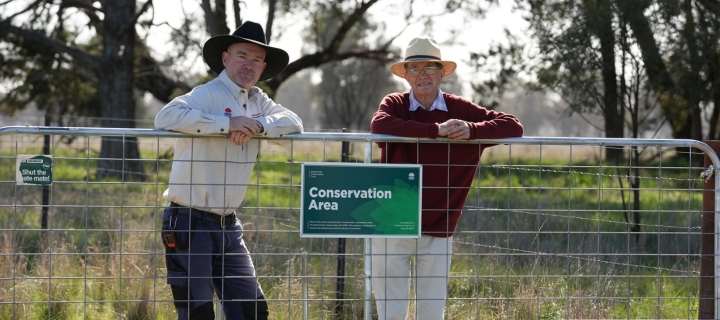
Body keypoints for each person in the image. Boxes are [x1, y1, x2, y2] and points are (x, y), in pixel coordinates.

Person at [155, 21, 303, 320]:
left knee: (251, 311)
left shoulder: (258, 100)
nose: (249, 65)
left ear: (263, 67)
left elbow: (294, 123)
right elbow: (166, 116)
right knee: (197, 313)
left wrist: (259, 126)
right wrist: (227, 125)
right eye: (242, 55)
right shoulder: (207, 94)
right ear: (225, 58)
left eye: (257, 59)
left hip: (228, 226)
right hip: (189, 220)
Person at [369, 37, 524, 320]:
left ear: (442, 73)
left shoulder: (460, 108)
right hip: (392, 220)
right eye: (414, 69)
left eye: (430, 67)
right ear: (405, 75)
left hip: (440, 223)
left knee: (431, 311)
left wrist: (472, 130)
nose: (422, 75)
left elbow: (513, 126)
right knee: (391, 311)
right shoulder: (394, 103)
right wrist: (436, 131)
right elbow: (379, 125)